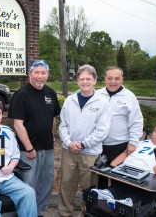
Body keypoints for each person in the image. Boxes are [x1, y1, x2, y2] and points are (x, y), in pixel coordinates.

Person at [8, 60, 61, 216]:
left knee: (47, 182)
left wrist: (52, 139)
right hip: (28, 150)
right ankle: (25, 213)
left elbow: (53, 119)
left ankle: (39, 211)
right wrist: (29, 148)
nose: (40, 76)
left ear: (47, 75)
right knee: (29, 184)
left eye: (43, 73)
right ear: (30, 74)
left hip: (47, 147)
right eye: (36, 72)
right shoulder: (21, 95)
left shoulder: (51, 93)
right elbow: (18, 124)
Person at [58, 64, 111, 217]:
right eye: (82, 79)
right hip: (69, 151)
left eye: (89, 78)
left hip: (90, 153)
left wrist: (83, 144)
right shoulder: (70, 100)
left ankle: (87, 213)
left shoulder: (102, 103)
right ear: (77, 81)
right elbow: (63, 125)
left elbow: (102, 130)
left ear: (95, 81)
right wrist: (68, 143)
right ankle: (65, 213)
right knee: (67, 184)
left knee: (89, 187)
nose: (85, 82)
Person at [91, 123, 156, 208]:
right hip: (125, 171)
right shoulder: (142, 143)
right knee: (117, 185)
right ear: (153, 133)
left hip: (146, 179)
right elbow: (127, 152)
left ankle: (128, 202)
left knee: (144, 191)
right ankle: (109, 193)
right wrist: (113, 164)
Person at [96, 66, 143, 188]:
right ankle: (100, 204)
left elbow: (136, 121)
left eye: (117, 78)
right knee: (100, 179)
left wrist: (133, 142)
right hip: (98, 145)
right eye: (109, 78)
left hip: (120, 146)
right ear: (104, 79)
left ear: (122, 79)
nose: (113, 81)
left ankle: (118, 204)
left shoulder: (129, 96)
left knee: (119, 180)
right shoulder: (97, 95)